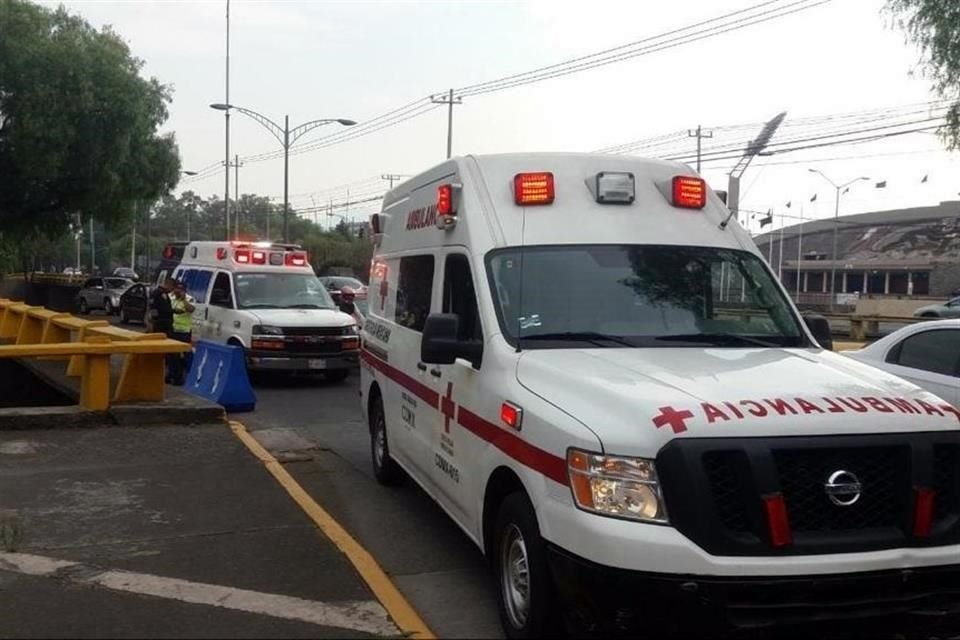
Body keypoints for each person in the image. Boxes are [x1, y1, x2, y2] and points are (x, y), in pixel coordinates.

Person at [168, 280, 196, 385]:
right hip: (173, 330)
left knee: (185, 355)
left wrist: (184, 300)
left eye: (181, 290)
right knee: (172, 355)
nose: (178, 291)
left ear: (184, 290)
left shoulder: (189, 299)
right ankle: (173, 375)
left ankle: (188, 376)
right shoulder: (170, 298)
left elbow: (191, 309)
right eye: (177, 289)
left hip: (184, 332)